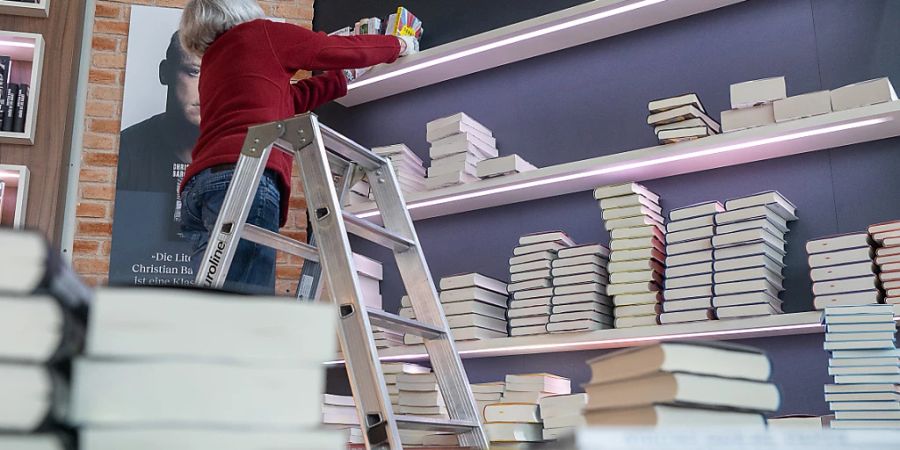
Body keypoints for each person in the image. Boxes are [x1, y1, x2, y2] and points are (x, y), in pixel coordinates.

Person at [178, 0, 416, 294]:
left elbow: (283, 101)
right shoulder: (262, 33)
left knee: (214, 307)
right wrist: (398, 44)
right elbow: (330, 50)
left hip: (199, 188)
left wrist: (340, 80)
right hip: (244, 176)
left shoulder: (215, 61)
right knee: (245, 313)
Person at [117, 31, 201, 237]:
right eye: (194, 72)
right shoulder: (128, 149)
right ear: (165, 73)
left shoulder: (239, 158)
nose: (206, 88)